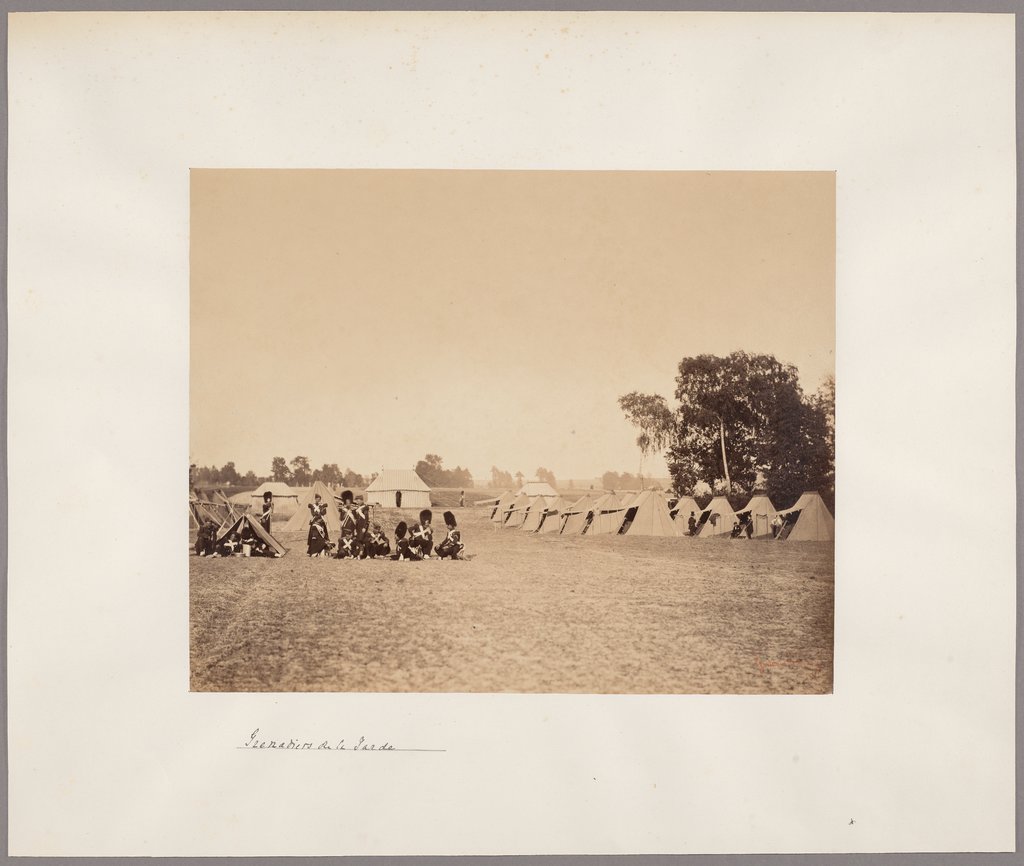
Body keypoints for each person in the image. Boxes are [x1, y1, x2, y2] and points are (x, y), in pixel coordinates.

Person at [336, 490, 358, 558]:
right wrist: (345, 513)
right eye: (347, 502)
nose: (348, 504)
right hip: (345, 527)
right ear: (345, 502)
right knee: (343, 540)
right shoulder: (343, 510)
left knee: (351, 540)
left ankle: (351, 551)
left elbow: (355, 518)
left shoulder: (353, 509)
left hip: (351, 527)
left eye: (349, 502)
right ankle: (342, 550)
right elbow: (341, 518)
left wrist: (351, 511)